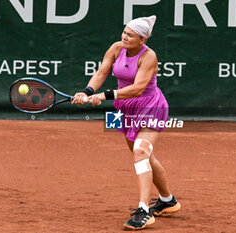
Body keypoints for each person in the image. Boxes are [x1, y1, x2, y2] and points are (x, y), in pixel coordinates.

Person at [72, 15, 181, 230]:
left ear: (143, 40)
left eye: (130, 35)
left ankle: (143, 210)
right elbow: (102, 72)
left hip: (151, 106)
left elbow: (138, 88)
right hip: (126, 109)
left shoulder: (149, 57)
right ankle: (168, 200)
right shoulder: (116, 48)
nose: (124, 36)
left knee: (140, 153)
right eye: (124, 32)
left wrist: (103, 96)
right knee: (144, 154)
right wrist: (86, 92)